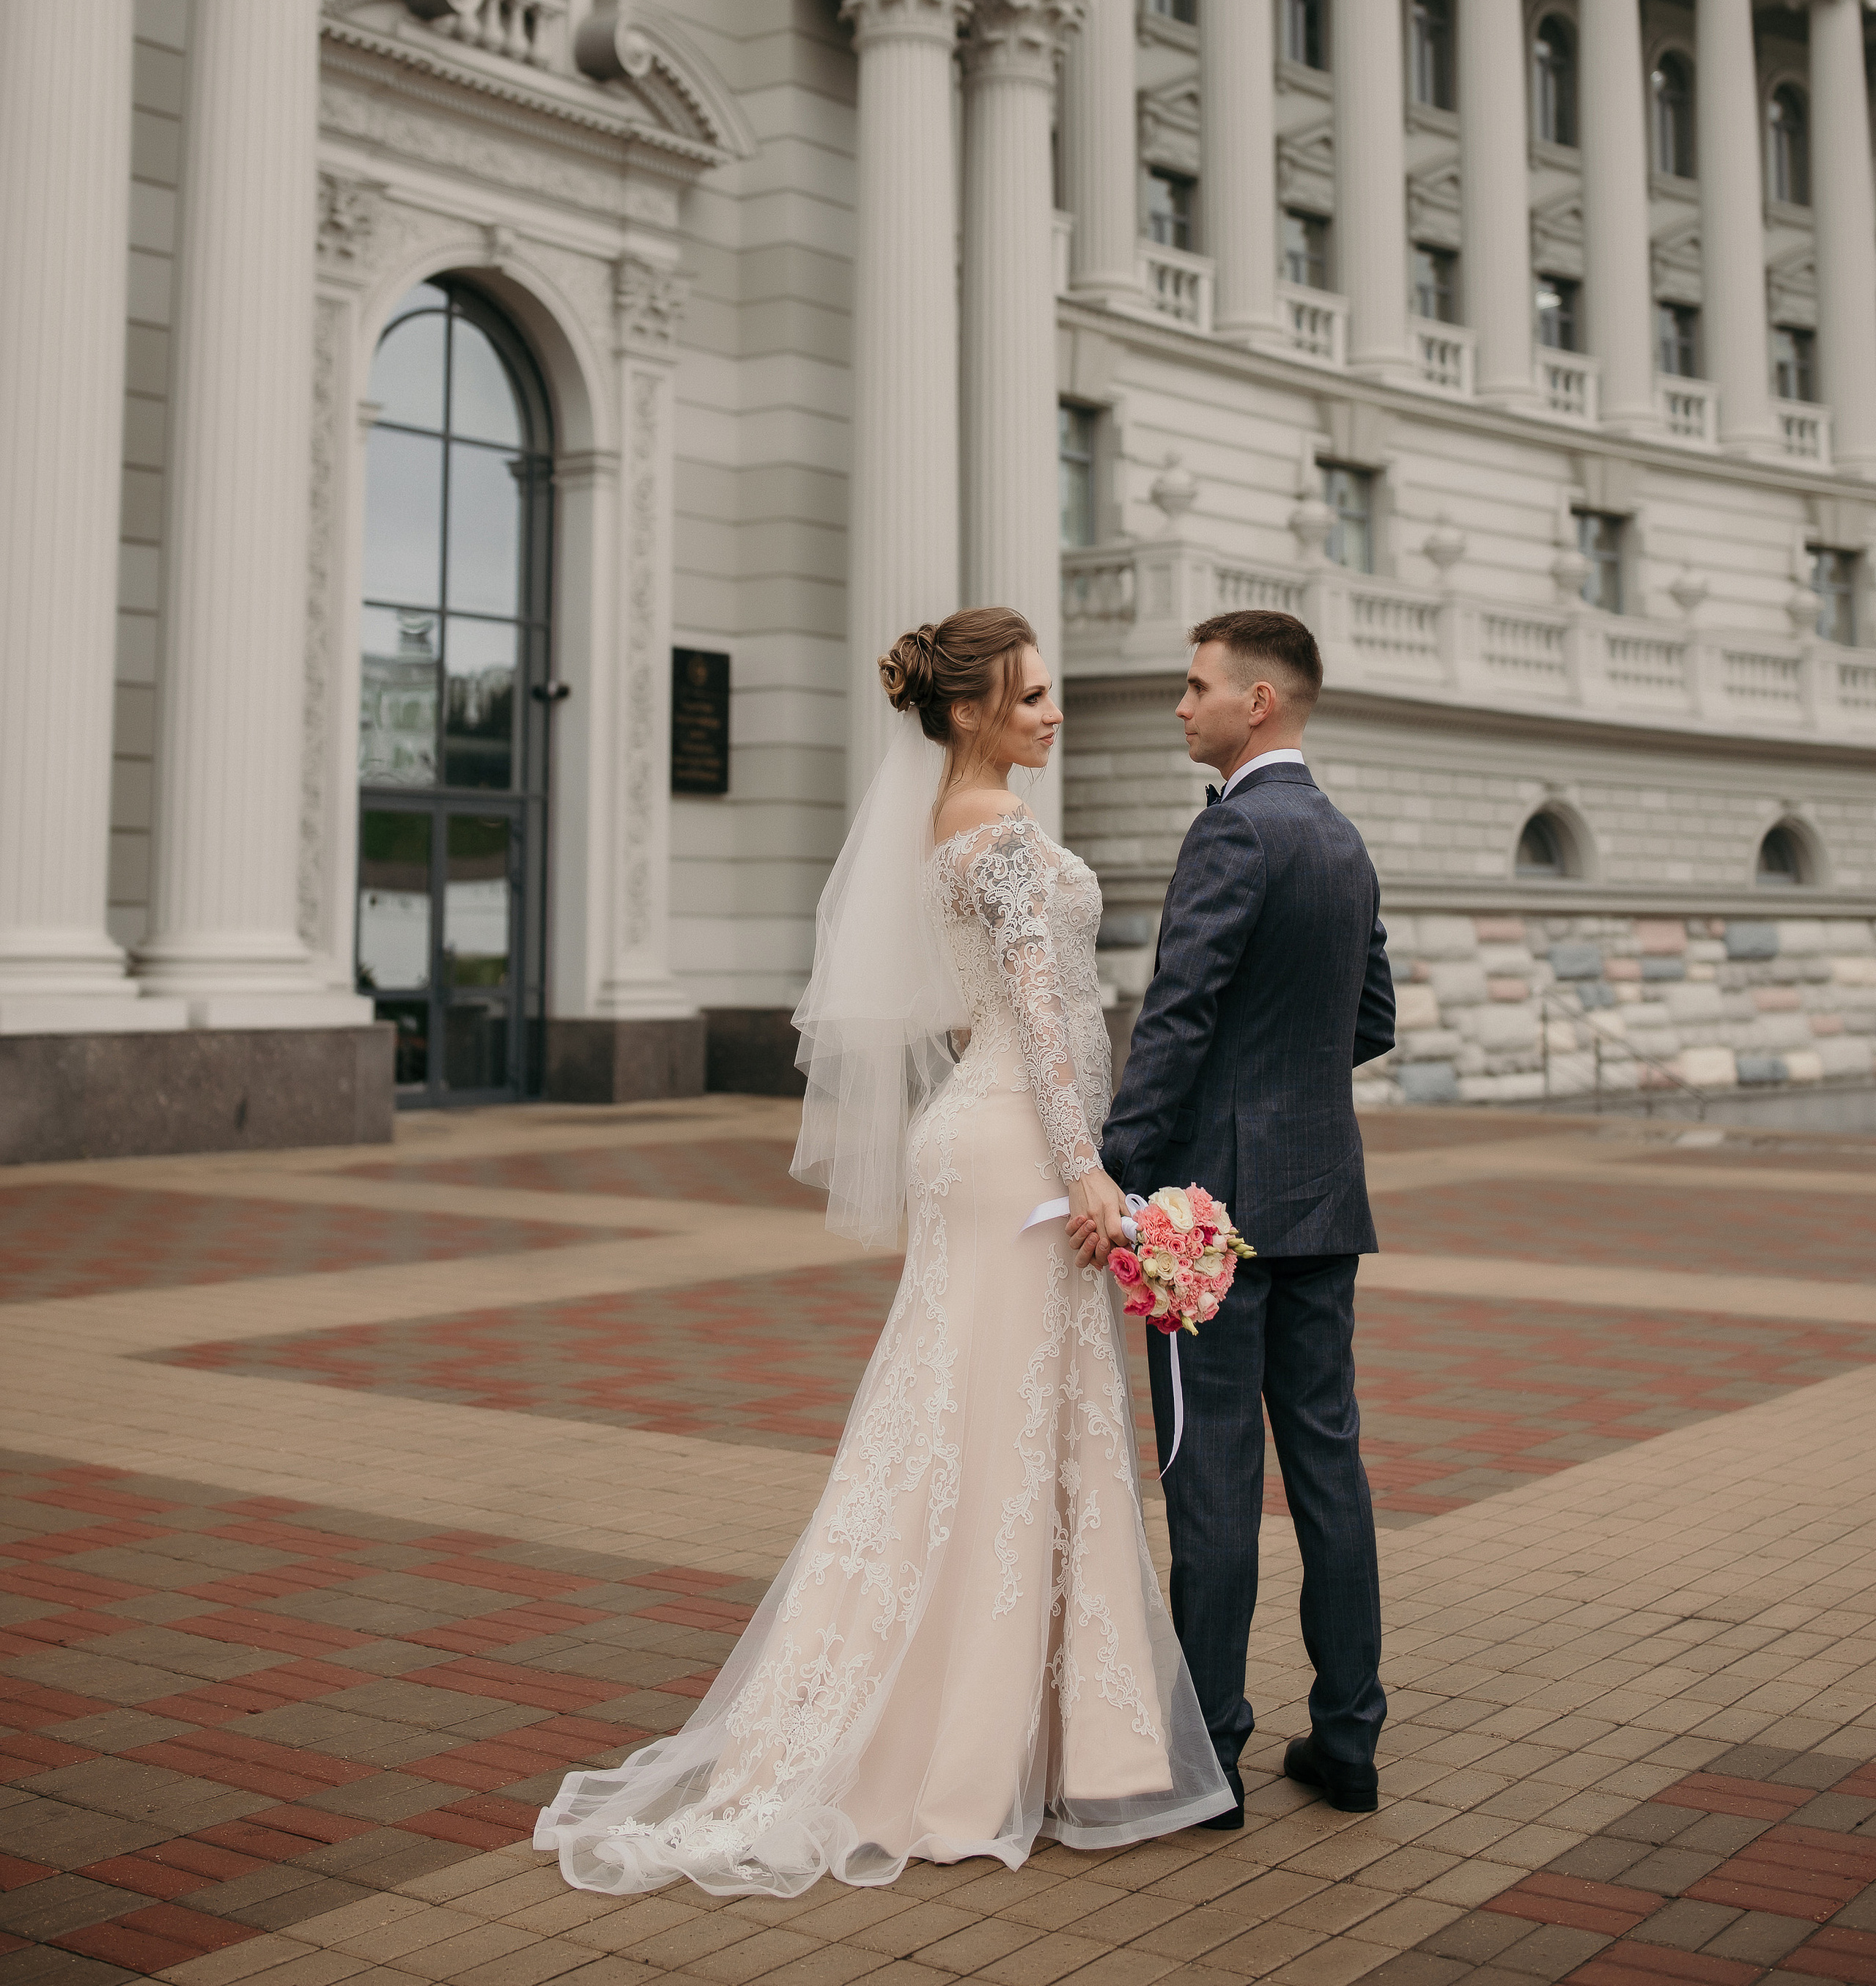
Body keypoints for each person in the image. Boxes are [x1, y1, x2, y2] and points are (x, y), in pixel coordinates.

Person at [533, 606, 1231, 1900]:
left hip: (993, 1132)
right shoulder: (996, 832)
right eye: (1030, 696)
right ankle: (965, 1759)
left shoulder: (953, 821)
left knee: (981, 1425)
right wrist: (1089, 1173)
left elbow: (1007, 1009)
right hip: (1019, 1148)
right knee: (1001, 1430)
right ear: (968, 712)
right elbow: (1040, 1011)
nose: (1054, 712)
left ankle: (1027, 1738)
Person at [1071, 608, 1395, 1826]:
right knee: (1330, 1472)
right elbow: (1372, 1017)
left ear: (1256, 703)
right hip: (1324, 1198)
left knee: (1211, 1481)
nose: (1180, 703)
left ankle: (1210, 1756)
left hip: (1209, 1216)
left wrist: (1115, 1176)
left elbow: (1176, 1020)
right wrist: (1289, 1092)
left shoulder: (1231, 832)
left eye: (1196, 684)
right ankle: (1349, 1739)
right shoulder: (1343, 837)